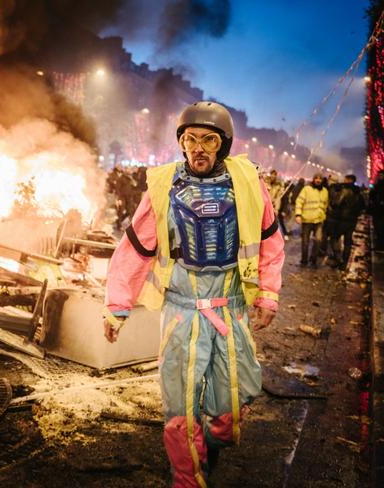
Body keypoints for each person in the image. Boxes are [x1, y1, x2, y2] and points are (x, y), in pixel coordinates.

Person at [102, 101, 285, 487]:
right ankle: (188, 477)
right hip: (182, 313)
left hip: (231, 312)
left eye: (208, 139)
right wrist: (117, 307)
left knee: (233, 403)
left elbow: (271, 241)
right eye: (190, 139)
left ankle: (213, 441)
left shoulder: (248, 185)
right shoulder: (164, 188)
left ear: (223, 144)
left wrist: (268, 295)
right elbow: (135, 248)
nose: (198, 147)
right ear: (181, 144)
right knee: (180, 406)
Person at [327, 174, 366, 269]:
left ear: (348, 180)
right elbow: (363, 207)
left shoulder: (344, 190)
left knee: (334, 238)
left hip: (342, 220)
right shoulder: (358, 192)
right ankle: (344, 264)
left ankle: (338, 258)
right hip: (352, 221)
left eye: (345, 179)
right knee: (348, 242)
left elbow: (336, 203)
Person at [294, 173, 328, 268]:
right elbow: (299, 202)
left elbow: (325, 205)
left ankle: (313, 260)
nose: (318, 180)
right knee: (305, 241)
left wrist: (323, 216)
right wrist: (298, 215)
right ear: (313, 179)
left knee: (318, 240)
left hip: (319, 220)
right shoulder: (306, 189)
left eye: (320, 178)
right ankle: (304, 260)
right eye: (316, 178)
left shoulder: (325, 191)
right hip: (307, 219)